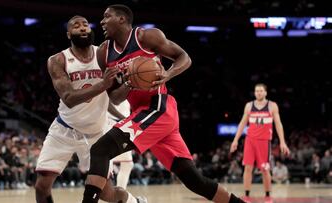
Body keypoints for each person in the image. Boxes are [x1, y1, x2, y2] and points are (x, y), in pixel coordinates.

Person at [81, 4, 245, 203]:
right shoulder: (104, 53)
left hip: (158, 108)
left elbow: (184, 57)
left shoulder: (146, 37)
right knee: (193, 180)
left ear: (122, 19)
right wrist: (128, 83)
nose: (102, 22)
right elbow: (115, 97)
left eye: (107, 17)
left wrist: (168, 74)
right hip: (144, 115)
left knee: (100, 149)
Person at [35, 15, 145, 203]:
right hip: (64, 129)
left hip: (96, 134)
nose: (83, 28)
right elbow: (69, 98)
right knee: (42, 185)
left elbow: (113, 97)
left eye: (85, 24)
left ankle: (134, 202)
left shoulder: (103, 55)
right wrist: (103, 84)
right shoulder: (58, 60)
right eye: (76, 26)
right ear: (69, 34)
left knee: (106, 194)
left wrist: (131, 81)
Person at [230, 83, 290, 203]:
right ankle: (247, 196)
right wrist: (235, 140)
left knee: (265, 169)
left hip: (264, 141)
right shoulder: (249, 106)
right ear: (254, 92)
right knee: (247, 168)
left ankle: (268, 196)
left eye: (261, 91)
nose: (259, 93)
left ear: (265, 92)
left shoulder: (272, 106)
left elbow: (278, 124)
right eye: (257, 91)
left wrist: (282, 142)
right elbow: (242, 123)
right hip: (250, 141)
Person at [108, 101, 134, 189]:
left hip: (122, 125)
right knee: (107, 164)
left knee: (127, 164)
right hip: (113, 123)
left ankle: (119, 194)